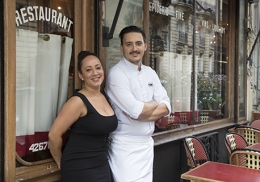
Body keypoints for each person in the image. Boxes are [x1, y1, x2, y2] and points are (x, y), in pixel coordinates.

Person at [105, 25, 171, 182]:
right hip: (124, 147)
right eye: (129, 44)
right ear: (121, 47)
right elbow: (137, 111)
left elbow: (167, 106)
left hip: (147, 146)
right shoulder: (116, 74)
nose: (134, 48)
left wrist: (144, 110)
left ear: (145, 46)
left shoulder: (150, 72)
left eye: (138, 44)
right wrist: (155, 103)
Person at [48, 51, 118, 182]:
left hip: (102, 164)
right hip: (79, 167)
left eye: (98, 67)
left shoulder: (105, 96)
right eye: (88, 70)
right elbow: (54, 135)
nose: (95, 73)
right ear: (81, 75)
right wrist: (59, 160)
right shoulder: (77, 102)